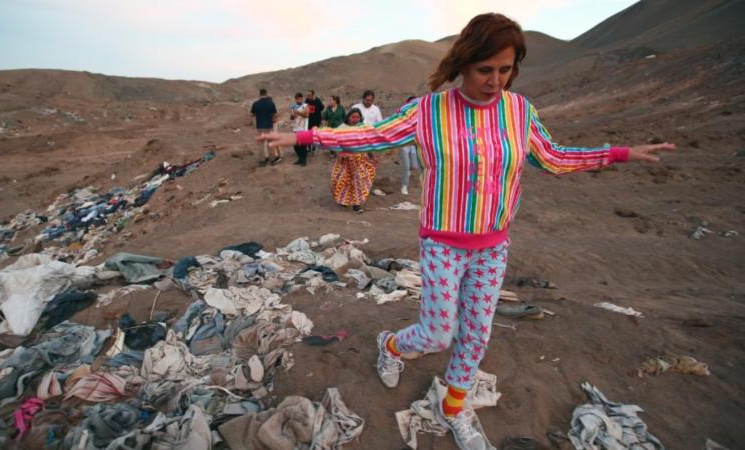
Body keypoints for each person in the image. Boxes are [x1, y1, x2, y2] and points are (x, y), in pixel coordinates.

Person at [259, 13, 674, 450]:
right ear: (463, 64)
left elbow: (555, 158)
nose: (496, 81)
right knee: (438, 334)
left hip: (493, 246)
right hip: (442, 243)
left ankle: (454, 409)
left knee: (476, 334)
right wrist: (306, 138)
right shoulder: (428, 111)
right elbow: (372, 136)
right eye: (485, 70)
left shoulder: (520, 111)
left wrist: (619, 153)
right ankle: (392, 346)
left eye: (505, 69)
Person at [330, 109, 378, 214]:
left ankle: (356, 205)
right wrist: (338, 154)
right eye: (353, 117)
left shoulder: (363, 128)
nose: (355, 119)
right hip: (345, 160)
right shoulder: (341, 128)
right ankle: (344, 199)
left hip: (360, 159)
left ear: (360, 118)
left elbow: (368, 142)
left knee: (359, 181)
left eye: (357, 117)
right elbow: (334, 143)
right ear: (348, 117)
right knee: (341, 180)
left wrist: (373, 155)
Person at [250, 88, 281, 166]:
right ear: (266, 94)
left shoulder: (255, 104)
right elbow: (275, 114)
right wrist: (273, 120)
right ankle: (272, 160)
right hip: (269, 126)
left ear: (259, 94)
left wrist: (257, 114)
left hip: (260, 127)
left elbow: (251, 114)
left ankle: (262, 161)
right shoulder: (271, 103)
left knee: (261, 144)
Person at [398, 96, 420, 195]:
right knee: (406, 166)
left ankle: (407, 172)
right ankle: (404, 186)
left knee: (414, 166)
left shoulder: (418, 117)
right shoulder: (402, 116)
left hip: (413, 145)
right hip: (404, 144)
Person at [289, 92, 310, 166]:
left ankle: (304, 160)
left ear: (302, 98)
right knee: (296, 145)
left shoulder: (305, 106)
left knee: (303, 146)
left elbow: (307, 115)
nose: (298, 100)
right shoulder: (293, 106)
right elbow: (291, 118)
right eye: (296, 99)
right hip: (295, 128)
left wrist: (298, 112)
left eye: (299, 99)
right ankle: (300, 158)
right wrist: (292, 116)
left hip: (303, 129)